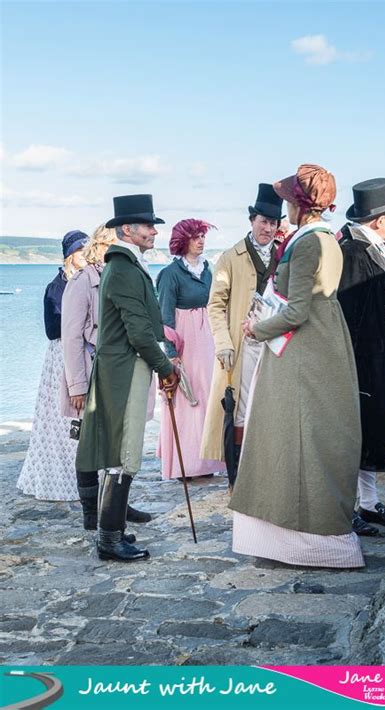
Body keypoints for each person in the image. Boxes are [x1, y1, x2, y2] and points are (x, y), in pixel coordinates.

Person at [229, 164, 364, 568]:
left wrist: (256, 328)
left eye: (289, 199)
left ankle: (305, 540)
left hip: (303, 353)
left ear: (302, 204)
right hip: (315, 346)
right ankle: (290, 536)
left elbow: (299, 310)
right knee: (298, 438)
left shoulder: (310, 243)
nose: (284, 205)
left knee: (297, 438)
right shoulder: (324, 239)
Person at [76, 194, 179, 562]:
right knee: (123, 454)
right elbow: (138, 333)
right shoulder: (122, 269)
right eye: (148, 225)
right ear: (127, 230)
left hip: (128, 368)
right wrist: (167, 368)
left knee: (124, 452)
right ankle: (109, 539)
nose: (153, 231)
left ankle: (112, 529)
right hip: (124, 371)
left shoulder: (126, 266)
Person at [61, 224, 152, 531]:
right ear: (102, 244)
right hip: (89, 369)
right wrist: (77, 385)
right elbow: (71, 337)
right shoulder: (83, 281)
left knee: (117, 440)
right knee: (88, 441)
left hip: (116, 370)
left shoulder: (119, 274)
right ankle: (91, 512)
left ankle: (117, 507)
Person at [337, 178, 385, 536]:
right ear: (380, 219)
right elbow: (347, 310)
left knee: (376, 428)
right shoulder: (352, 252)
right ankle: (346, 508)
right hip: (362, 356)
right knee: (357, 433)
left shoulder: (371, 246)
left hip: (378, 351)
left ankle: (368, 501)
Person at [200, 184, 283, 470]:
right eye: (264, 221)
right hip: (242, 342)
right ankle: (238, 475)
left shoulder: (284, 257)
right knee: (239, 411)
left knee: (270, 407)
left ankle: (265, 470)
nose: (269, 229)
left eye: (274, 223)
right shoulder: (229, 258)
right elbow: (216, 305)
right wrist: (223, 342)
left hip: (275, 342)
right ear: (252, 221)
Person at [17, 231, 88, 501]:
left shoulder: (89, 280)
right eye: (81, 251)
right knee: (62, 419)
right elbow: (51, 330)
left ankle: (86, 478)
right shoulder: (56, 287)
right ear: (70, 255)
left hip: (84, 352)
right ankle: (63, 480)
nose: (85, 256)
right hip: (62, 355)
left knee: (80, 420)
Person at [156, 219, 226, 480]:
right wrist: (171, 353)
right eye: (195, 236)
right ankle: (186, 464)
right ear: (182, 241)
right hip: (185, 342)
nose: (201, 240)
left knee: (208, 397)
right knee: (186, 400)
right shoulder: (170, 275)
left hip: (208, 340)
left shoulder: (209, 271)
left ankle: (207, 462)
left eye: (202, 236)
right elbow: (165, 318)